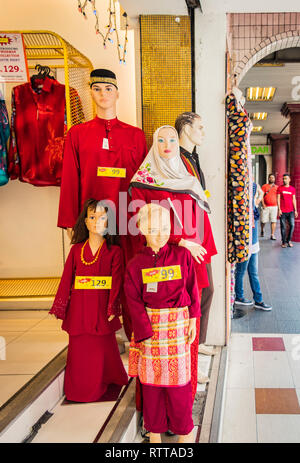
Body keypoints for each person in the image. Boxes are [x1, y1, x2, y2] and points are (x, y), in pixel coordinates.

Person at [57, 68, 148, 340]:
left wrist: (145, 218)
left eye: (108, 88)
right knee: (96, 279)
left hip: (127, 217)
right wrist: (70, 220)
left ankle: (135, 337)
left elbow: (143, 180)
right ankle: (99, 338)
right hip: (94, 220)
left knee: (132, 278)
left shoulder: (135, 135)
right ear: (90, 92)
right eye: (97, 89)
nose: (103, 94)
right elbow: (71, 178)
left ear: (117, 93)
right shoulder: (77, 134)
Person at [129, 125, 217, 393]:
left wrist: (203, 249)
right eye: (161, 140)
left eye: (172, 139)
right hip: (162, 260)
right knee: (159, 326)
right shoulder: (142, 181)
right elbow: (140, 224)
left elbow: (200, 218)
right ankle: (157, 394)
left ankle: (187, 385)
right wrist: (179, 241)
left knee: (193, 311)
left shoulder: (187, 178)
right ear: (153, 144)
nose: (167, 144)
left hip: (192, 255)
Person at [125, 204, 200, 443]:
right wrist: (144, 332)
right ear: (143, 229)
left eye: (166, 228)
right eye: (154, 228)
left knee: (180, 385)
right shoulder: (136, 263)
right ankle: (154, 433)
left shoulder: (182, 256)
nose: (161, 233)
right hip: (149, 330)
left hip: (177, 327)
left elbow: (193, 290)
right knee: (151, 386)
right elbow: (133, 301)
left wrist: (192, 320)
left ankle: (184, 433)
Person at [49, 198, 128, 402]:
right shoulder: (76, 250)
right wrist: (61, 307)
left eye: (102, 217)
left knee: (100, 347)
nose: (96, 221)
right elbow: (67, 279)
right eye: (91, 217)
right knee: (80, 348)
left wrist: (112, 306)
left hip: (101, 307)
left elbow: (116, 282)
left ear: (109, 221)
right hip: (79, 306)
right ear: (85, 222)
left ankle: (103, 380)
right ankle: (79, 387)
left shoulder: (115, 252)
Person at [175, 112, 218, 364]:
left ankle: (197, 343)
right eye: (200, 127)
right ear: (186, 128)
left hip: (199, 227)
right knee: (196, 290)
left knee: (205, 289)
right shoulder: (176, 158)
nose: (203, 132)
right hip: (186, 231)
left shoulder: (192, 157)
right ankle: (191, 350)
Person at [235, 183, 272, 312]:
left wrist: (256, 198)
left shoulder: (253, 207)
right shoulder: (245, 206)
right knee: (241, 271)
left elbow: (259, 191)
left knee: (252, 272)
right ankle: (239, 296)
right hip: (245, 242)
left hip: (253, 243)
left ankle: (258, 300)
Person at [277, 173, 298, 248]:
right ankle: (283, 242)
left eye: (286, 178)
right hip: (282, 211)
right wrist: (279, 209)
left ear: (289, 180)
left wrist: (295, 210)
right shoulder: (280, 188)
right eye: (283, 178)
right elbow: (278, 199)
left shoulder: (292, 189)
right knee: (283, 227)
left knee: (292, 225)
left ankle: (289, 240)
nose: (284, 180)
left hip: (291, 211)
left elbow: (294, 199)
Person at [261, 173, 278, 240]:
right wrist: (263, 204)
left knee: (273, 221)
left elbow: (278, 197)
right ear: (268, 178)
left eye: (273, 178)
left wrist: (279, 207)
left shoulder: (277, 187)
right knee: (263, 221)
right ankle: (262, 229)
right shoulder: (264, 186)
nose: (271, 179)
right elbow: (261, 196)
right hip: (266, 206)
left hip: (274, 206)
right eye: (270, 177)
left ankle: (272, 234)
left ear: (274, 179)